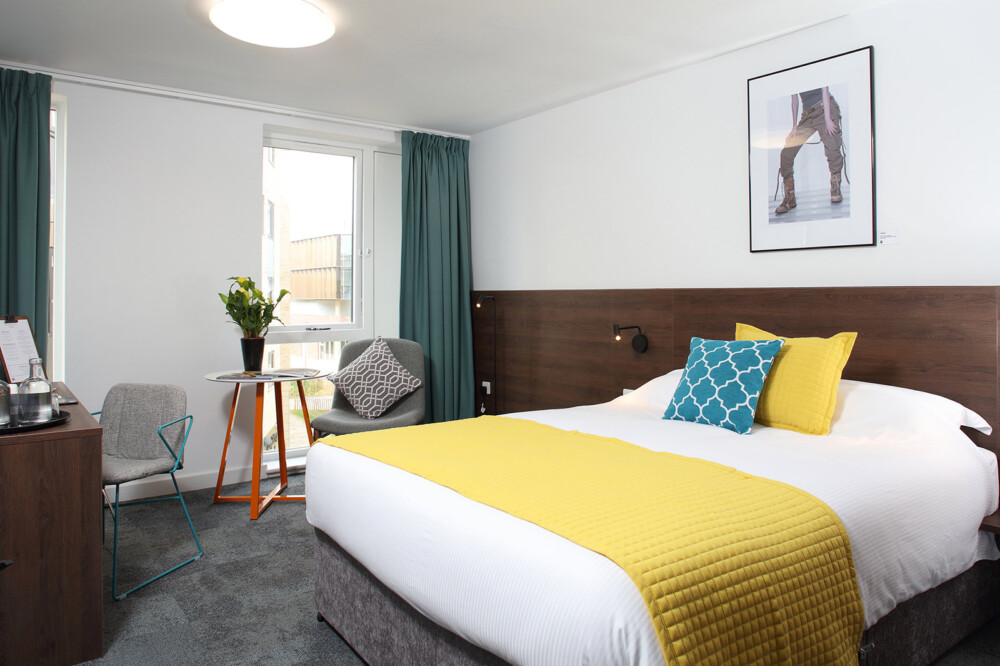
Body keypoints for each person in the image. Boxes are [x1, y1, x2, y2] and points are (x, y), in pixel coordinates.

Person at [774, 86, 844, 214]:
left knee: (832, 146)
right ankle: (790, 197)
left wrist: (828, 119)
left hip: (824, 108)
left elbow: (825, 90)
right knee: (786, 153)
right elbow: (794, 99)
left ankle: (835, 186)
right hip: (807, 114)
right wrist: (794, 126)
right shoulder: (792, 74)